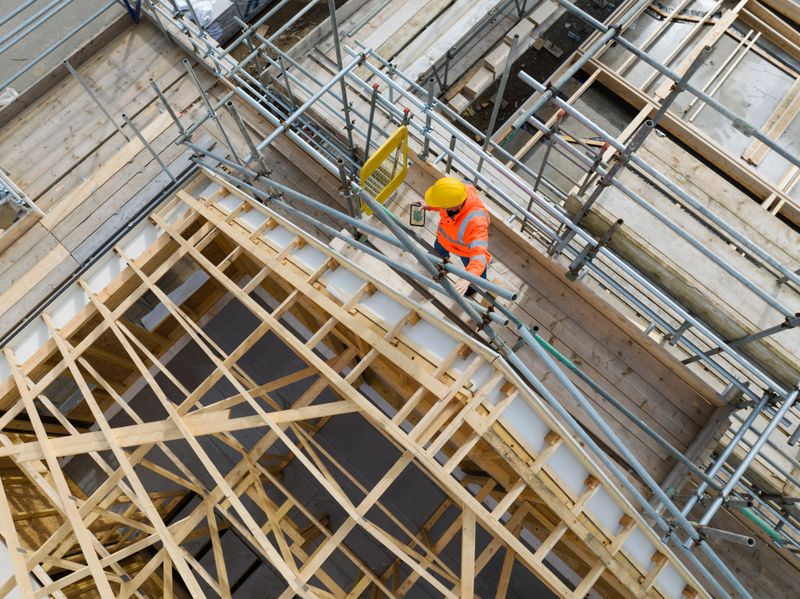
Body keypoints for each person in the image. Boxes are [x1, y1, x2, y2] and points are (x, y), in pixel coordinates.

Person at [417, 177, 491, 296]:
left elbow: (479, 257)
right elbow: (443, 202)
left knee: (477, 274)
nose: (440, 207)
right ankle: (439, 263)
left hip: (464, 251)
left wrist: (467, 279)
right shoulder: (457, 191)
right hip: (443, 238)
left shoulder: (477, 223)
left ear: (452, 206)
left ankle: (474, 286)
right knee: (438, 250)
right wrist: (429, 206)